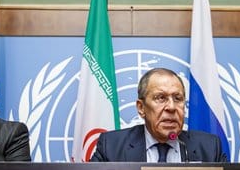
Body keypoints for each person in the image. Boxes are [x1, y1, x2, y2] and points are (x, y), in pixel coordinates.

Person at [90, 68, 227, 162]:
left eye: (178, 98)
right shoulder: (112, 146)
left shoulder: (209, 147)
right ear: (141, 107)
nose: (171, 107)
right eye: (161, 98)